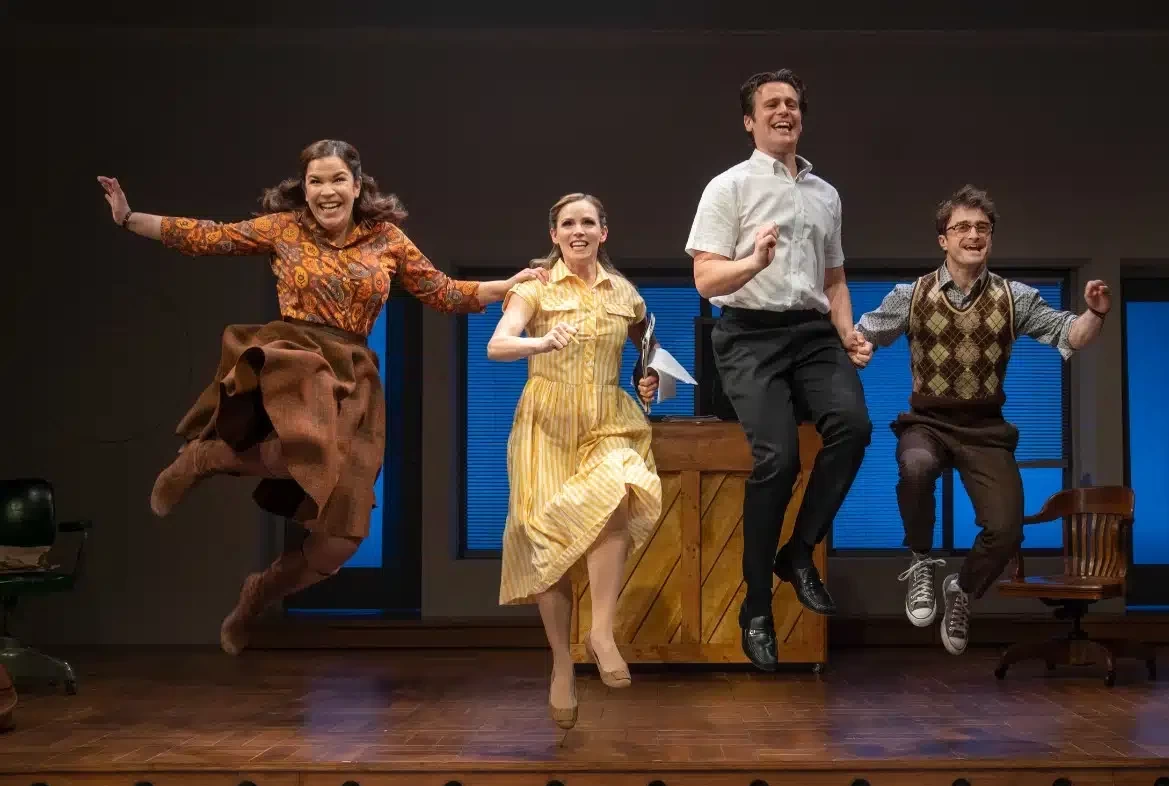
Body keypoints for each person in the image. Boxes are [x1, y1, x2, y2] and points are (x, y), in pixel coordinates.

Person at [96, 139, 545, 656]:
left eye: (337, 180)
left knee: (340, 540)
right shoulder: (285, 228)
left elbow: (444, 291)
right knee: (300, 447)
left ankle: (257, 594)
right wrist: (130, 218)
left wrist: (506, 284)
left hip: (352, 374)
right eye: (315, 181)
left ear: (357, 186)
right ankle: (203, 455)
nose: (326, 191)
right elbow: (208, 237)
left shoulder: (386, 239)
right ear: (303, 188)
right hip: (295, 357)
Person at [852, 184, 1110, 655]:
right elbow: (866, 330)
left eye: (982, 228)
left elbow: (1069, 333)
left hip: (985, 428)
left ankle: (961, 590)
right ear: (943, 239)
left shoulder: (1016, 298)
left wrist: (1094, 314)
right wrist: (860, 345)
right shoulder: (912, 295)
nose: (973, 235)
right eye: (962, 227)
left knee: (1007, 528)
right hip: (926, 420)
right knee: (915, 467)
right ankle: (922, 563)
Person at [685, 69, 873, 672]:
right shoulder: (727, 188)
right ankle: (756, 607)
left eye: (792, 104)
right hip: (748, 335)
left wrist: (849, 333)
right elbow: (707, 281)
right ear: (750, 120)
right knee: (779, 458)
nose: (783, 112)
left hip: (814, 334)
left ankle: (798, 552)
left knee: (854, 426)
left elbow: (834, 278)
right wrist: (753, 260)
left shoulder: (827, 194)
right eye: (771, 105)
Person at [487, 193, 663, 730]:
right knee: (548, 545)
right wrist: (540, 341)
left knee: (616, 489)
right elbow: (498, 345)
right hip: (546, 423)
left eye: (588, 222)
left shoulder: (625, 294)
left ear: (604, 232)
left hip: (606, 417)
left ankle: (601, 632)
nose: (579, 230)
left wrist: (648, 378)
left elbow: (648, 349)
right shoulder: (534, 288)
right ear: (555, 235)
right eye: (569, 223)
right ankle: (562, 665)